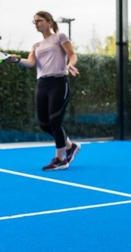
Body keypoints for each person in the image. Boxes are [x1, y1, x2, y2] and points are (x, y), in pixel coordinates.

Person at [8, 11, 81, 171]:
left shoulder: (60, 37)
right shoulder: (36, 46)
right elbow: (31, 63)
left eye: (39, 20)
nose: (36, 24)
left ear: (49, 22)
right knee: (44, 124)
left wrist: (69, 65)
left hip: (59, 82)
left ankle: (61, 159)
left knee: (55, 121)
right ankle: (70, 146)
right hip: (43, 84)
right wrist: (17, 60)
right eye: (34, 21)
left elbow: (72, 54)